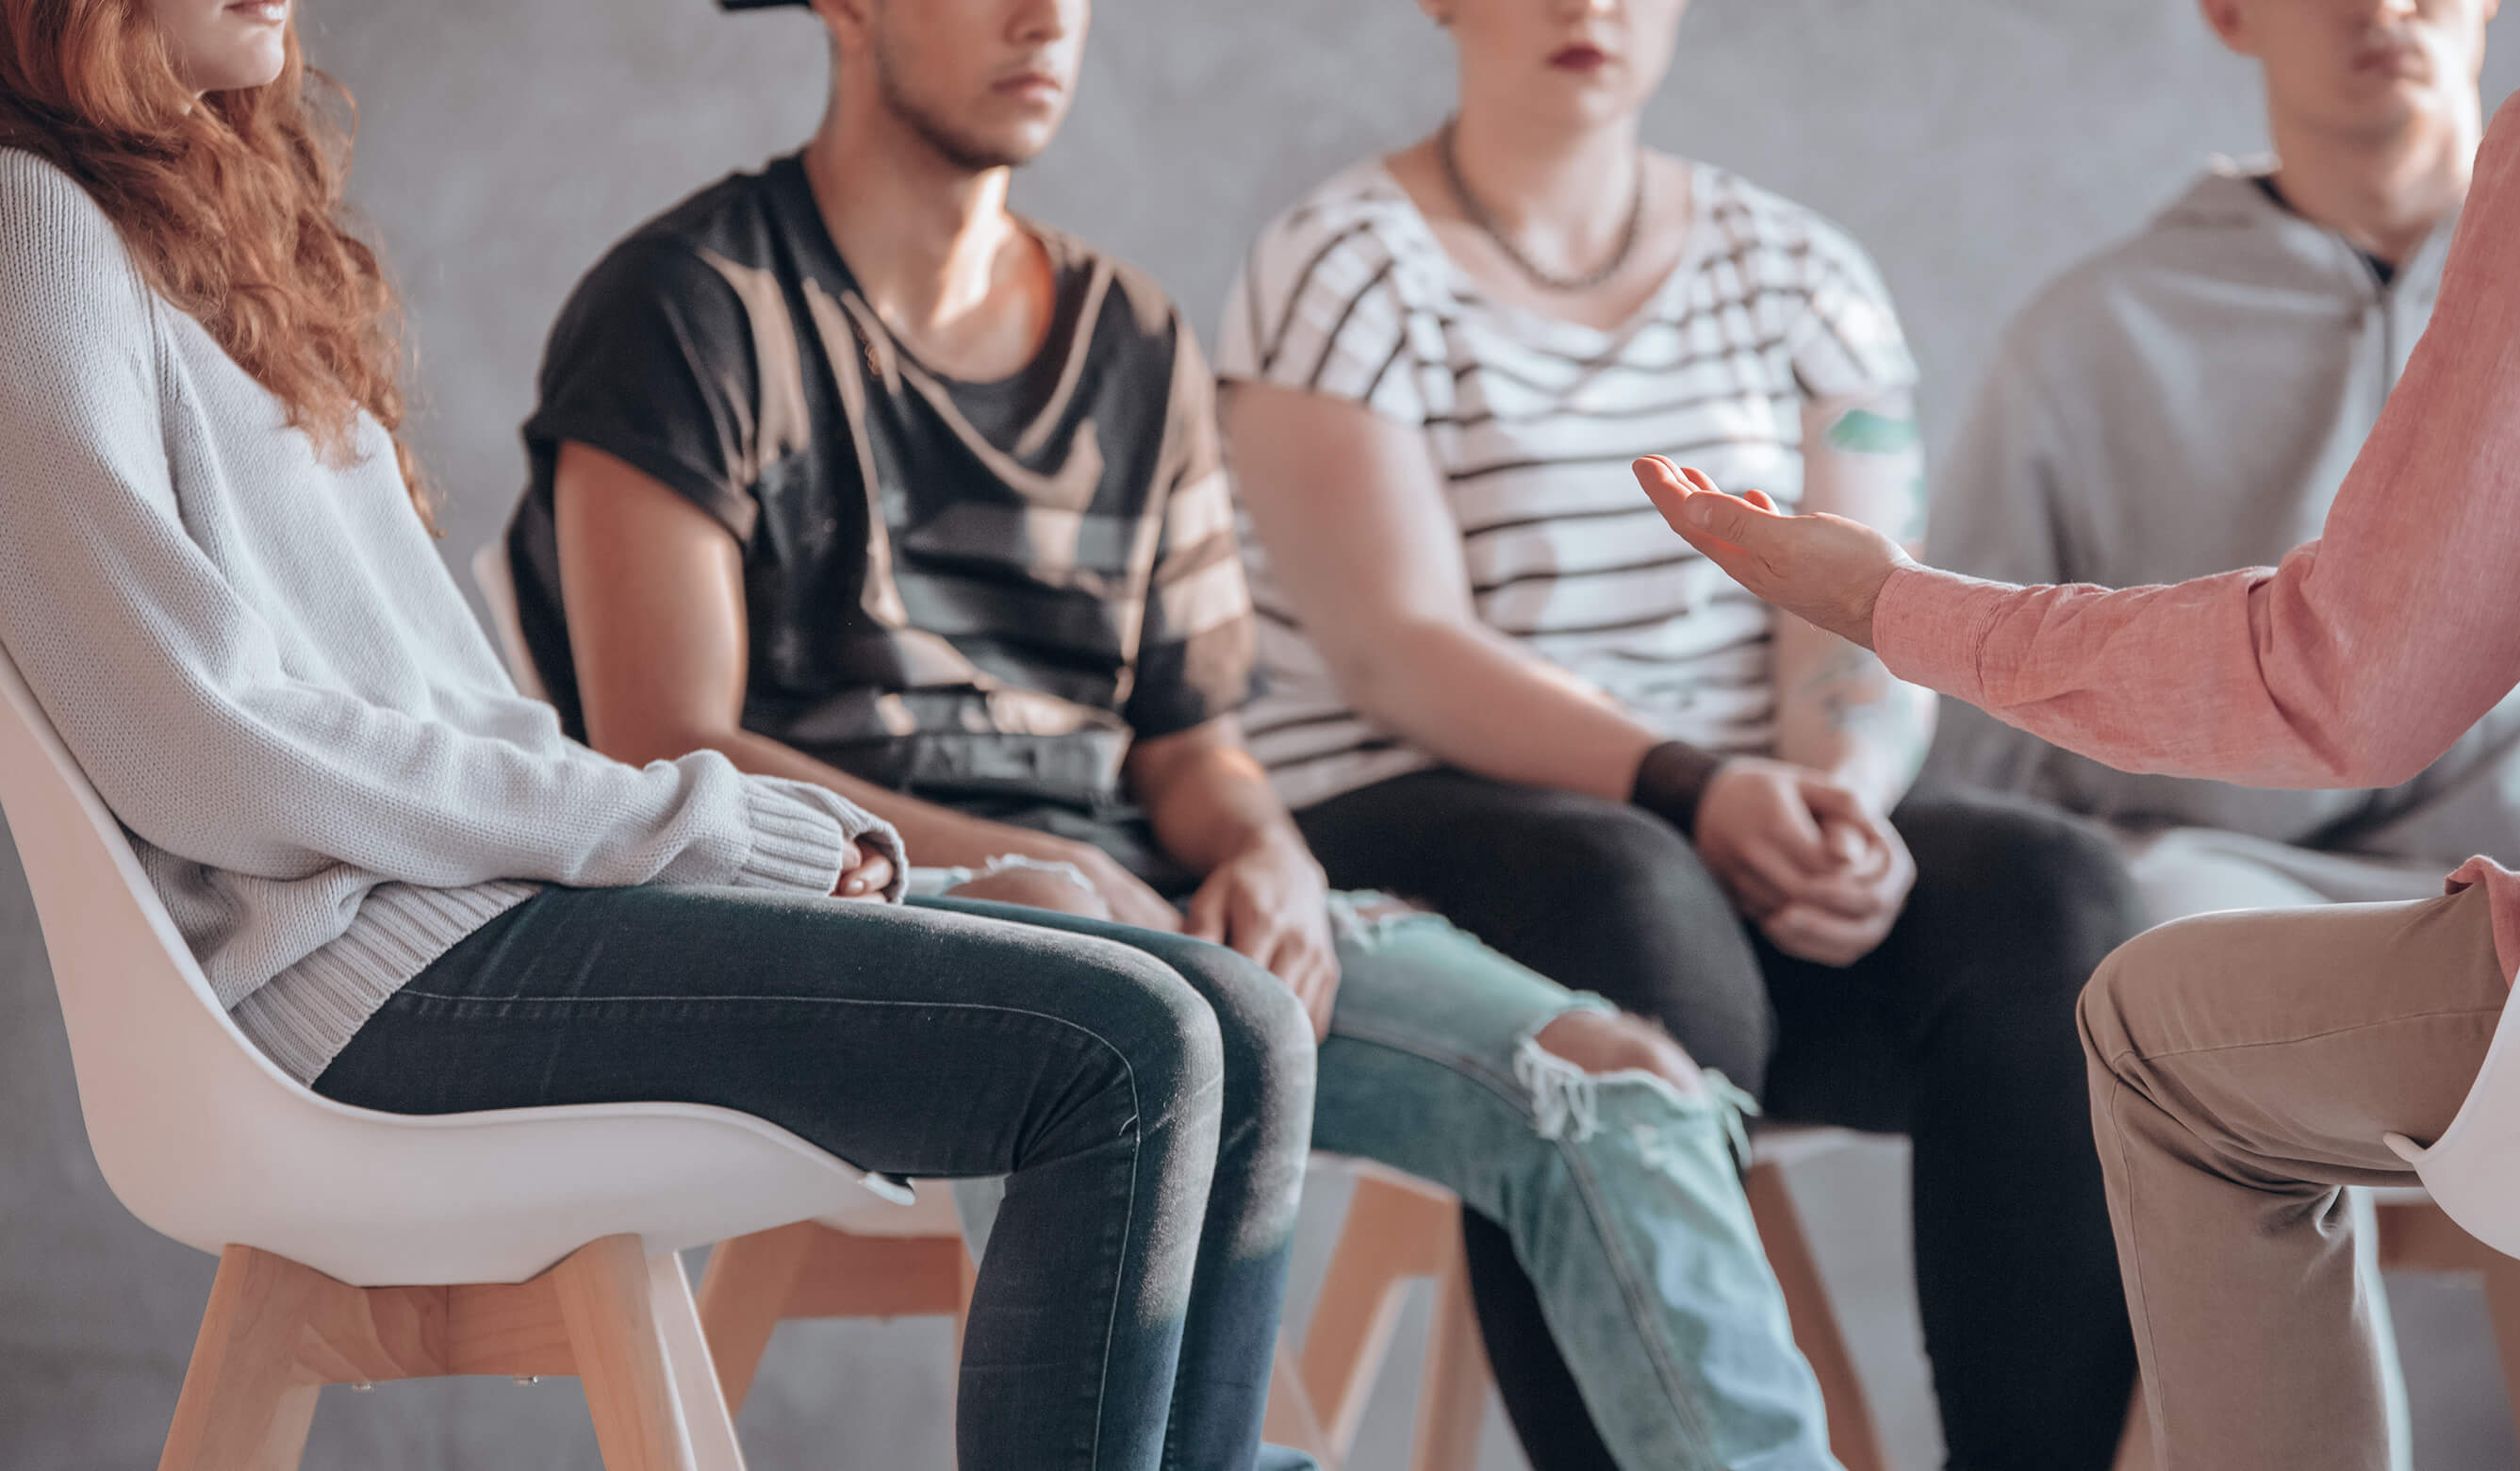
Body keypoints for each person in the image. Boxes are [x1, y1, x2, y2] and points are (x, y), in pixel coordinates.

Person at [502, 0, 1847, 1466]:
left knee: (1621, 1085)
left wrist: (1263, 849)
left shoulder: (1129, 331)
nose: (1045, 23)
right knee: (1106, 974)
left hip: (1147, 903)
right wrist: (1027, 864)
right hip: (853, 906)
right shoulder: (688, 306)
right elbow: (664, 745)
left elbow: (1189, 743)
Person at [0, 4, 1324, 1468]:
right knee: (1122, 1050)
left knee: (1242, 1023)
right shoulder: (33, 230)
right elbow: (213, 749)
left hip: (484, 920)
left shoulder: (202, 223)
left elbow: (449, 717)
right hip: (355, 975)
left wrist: (844, 876)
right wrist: (719, 832)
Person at [1634, 5, 2520, 1464]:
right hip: (2281, 866)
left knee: (2159, 1035)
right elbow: (1997, 775)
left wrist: (1887, 604)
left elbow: (2343, 685)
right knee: (2123, 916)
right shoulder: (2095, 333)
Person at [1215, 1, 2146, 1466]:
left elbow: (1865, 607)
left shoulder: (1798, 272)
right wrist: (1690, 788)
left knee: (2059, 898)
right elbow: (1396, 651)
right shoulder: (1337, 267)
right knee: (1628, 897)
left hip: (1741, 832)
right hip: (1426, 820)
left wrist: (1841, 800)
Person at [1927, 0, 2520, 924]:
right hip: (2212, 875)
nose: (2383, 7)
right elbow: (1971, 708)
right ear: (2229, 14)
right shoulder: (2091, 335)